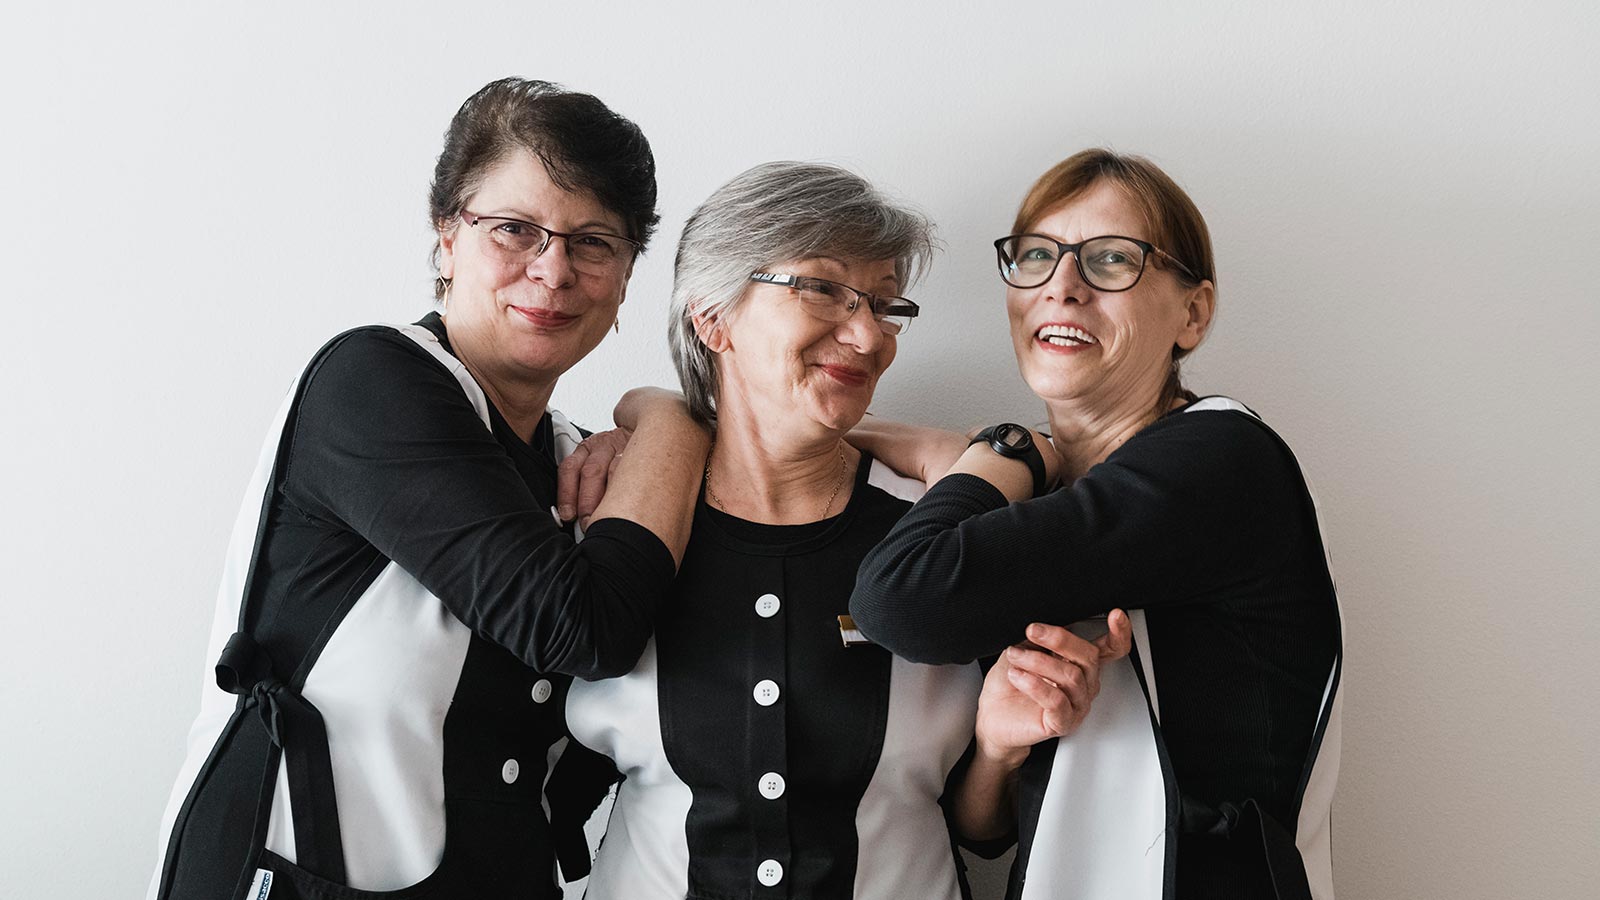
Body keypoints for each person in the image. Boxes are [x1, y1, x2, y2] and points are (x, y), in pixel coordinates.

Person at [147, 78, 708, 900]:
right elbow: (581, 628)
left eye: (594, 242)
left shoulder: (578, 459)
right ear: (448, 236)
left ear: (625, 278)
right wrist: (671, 418)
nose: (553, 271)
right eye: (515, 229)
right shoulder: (373, 382)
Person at [564, 161, 1125, 900]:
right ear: (712, 317)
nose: (869, 335)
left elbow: (982, 831)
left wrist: (998, 751)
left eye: (886, 304)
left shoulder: (941, 535)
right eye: (823, 287)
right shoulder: (615, 520)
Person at [848, 149, 1344, 900]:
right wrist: (998, 747)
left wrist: (1000, 449)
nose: (1063, 287)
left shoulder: (1223, 461)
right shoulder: (1056, 512)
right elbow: (986, 831)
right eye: (1037, 256)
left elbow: (901, 600)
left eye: (1112, 260)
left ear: (1193, 313)